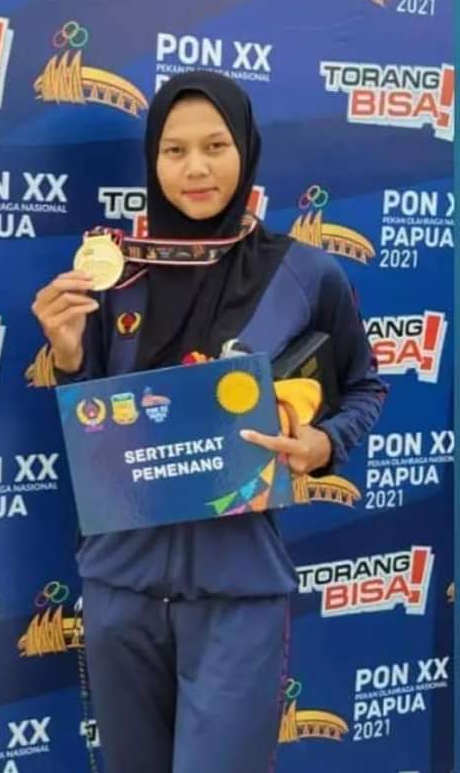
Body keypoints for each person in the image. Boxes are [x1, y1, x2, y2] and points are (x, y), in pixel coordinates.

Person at [31, 72, 387, 773]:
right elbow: (96, 419)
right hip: (119, 590)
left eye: (215, 146)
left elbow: (364, 388)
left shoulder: (305, 273)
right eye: (175, 151)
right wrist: (69, 357)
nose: (196, 168)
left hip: (237, 593)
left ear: (246, 150)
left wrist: (322, 443)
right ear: (153, 162)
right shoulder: (112, 277)